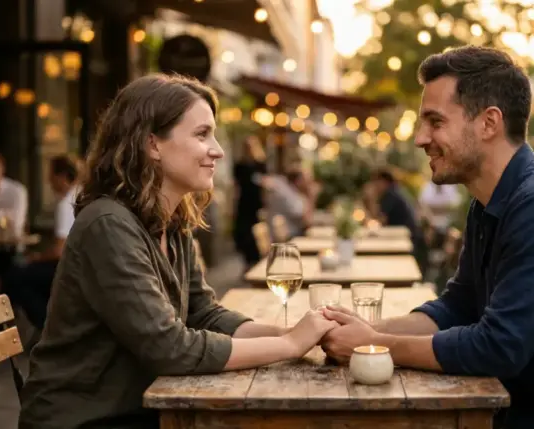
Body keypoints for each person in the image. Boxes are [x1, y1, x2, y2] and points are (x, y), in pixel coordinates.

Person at [320, 46, 534, 428]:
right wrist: (367, 330)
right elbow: (458, 307)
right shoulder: (489, 203)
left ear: (488, 123)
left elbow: (500, 347)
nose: (420, 138)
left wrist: (375, 346)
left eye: (435, 121)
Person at [18, 74, 338, 429]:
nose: (217, 150)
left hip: (137, 407)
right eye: (202, 135)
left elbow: (204, 313)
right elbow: (170, 348)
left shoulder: (173, 219)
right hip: (83, 418)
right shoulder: (107, 225)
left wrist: (297, 334)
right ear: (152, 144)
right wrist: (291, 345)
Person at [6, 154, 80, 330]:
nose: (48, 181)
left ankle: (49, 326)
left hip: (67, 269)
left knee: (14, 276)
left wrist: (35, 257)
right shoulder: (80, 195)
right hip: (81, 267)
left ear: (62, 177)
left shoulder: (65, 205)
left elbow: (59, 251)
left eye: (51, 176)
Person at [369, 169, 429, 277]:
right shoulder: (396, 191)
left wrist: (371, 199)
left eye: (377, 182)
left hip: (408, 242)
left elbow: (379, 220)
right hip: (406, 239)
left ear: (385, 182)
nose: (375, 186)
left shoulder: (391, 195)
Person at [232, 135, 267, 266]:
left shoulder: (260, 164)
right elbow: (236, 187)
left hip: (256, 203)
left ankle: (255, 261)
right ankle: (248, 263)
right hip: (244, 203)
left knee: (256, 233)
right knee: (243, 233)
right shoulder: (240, 165)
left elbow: (265, 184)